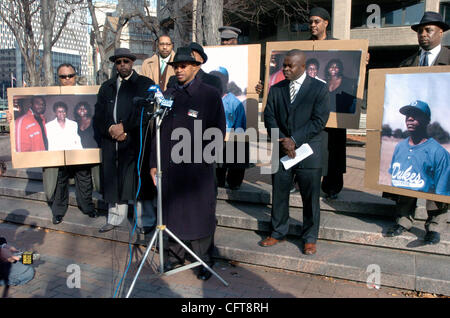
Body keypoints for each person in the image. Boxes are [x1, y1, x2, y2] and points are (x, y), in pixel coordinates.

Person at [149, 46, 226, 280]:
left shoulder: (209, 94)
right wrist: (153, 162)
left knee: (200, 212)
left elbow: (218, 131)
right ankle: (174, 255)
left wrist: (203, 158)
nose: (179, 70)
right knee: (172, 211)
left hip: (197, 169)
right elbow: (157, 131)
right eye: (176, 66)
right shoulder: (168, 95)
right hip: (169, 168)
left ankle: (204, 260)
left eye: (184, 66)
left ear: (195, 67)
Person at [386, 12, 449, 245]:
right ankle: (403, 220)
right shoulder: (407, 63)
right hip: (417, 131)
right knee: (407, 171)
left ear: (441, 32)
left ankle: (434, 225)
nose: (423, 34)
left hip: (442, 128)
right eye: (421, 31)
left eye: (428, 30)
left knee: (438, 178)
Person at [261, 49, 330, 255]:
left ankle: (309, 238)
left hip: (308, 152)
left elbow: (319, 121)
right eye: (284, 65)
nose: (286, 69)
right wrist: (283, 140)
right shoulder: (276, 89)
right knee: (280, 192)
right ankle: (278, 232)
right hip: (282, 150)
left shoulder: (319, 89)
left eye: (290, 66)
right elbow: (269, 117)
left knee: (310, 198)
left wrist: (295, 140)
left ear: (303, 67)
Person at [94, 48, 157, 234]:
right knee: (115, 181)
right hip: (112, 143)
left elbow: (147, 112)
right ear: (115, 64)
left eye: (126, 61)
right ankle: (115, 218)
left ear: (132, 62)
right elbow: (99, 114)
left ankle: (145, 221)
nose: (122, 65)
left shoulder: (145, 84)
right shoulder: (107, 86)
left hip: (135, 141)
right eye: (119, 62)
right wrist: (110, 129)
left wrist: (125, 128)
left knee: (139, 181)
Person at [389, 100, 449, 195]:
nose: (410, 118)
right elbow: (393, 182)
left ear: (427, 120)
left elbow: (442, 194)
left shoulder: (439, 153)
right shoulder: (399, 147)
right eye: (407, 115)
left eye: (416, 114)